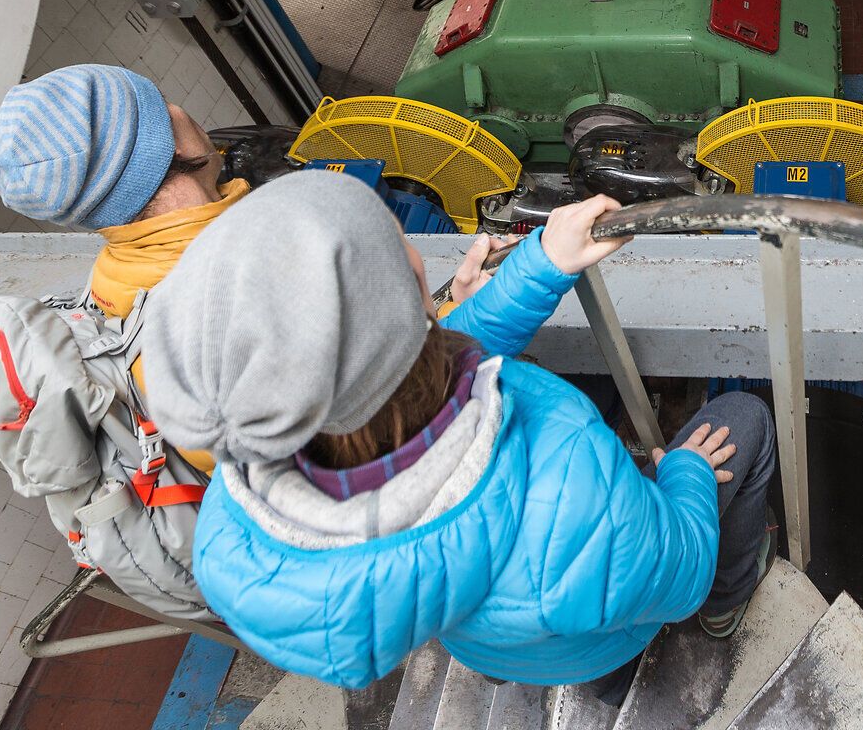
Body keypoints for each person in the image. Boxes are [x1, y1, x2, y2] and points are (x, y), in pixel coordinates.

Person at [139, 170, 781, 692]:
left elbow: (394, 372)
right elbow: (682, 569)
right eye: (401, 251)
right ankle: (724, 613)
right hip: (599, 618)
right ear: (417, 293)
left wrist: (542, 264)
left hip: (503, 649)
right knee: (745, 422)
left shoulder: (243, 497)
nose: (417, 257)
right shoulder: (573, 485)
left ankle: (610, 685)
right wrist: (685, 475)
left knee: (590, 635)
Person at [0, 63, 510, 474]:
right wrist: (453, 320)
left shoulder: (116, 281)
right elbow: (390, 433)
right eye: (162, 101)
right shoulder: (263, 286)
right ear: (172, 142)